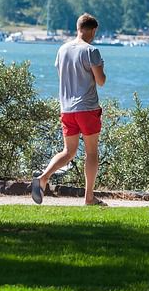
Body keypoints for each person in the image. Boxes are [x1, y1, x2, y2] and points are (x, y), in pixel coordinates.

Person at [31, 13, 107, 206]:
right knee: (91, 153)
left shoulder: (62, 50)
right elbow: (101, 81)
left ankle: (44, 177)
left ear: (77, 27)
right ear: (93, 30)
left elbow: (62, 75)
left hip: (66, 109)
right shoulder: (92, 51)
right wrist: (101, 67)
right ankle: (89, 198)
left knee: (68, 151)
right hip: (87, 108)